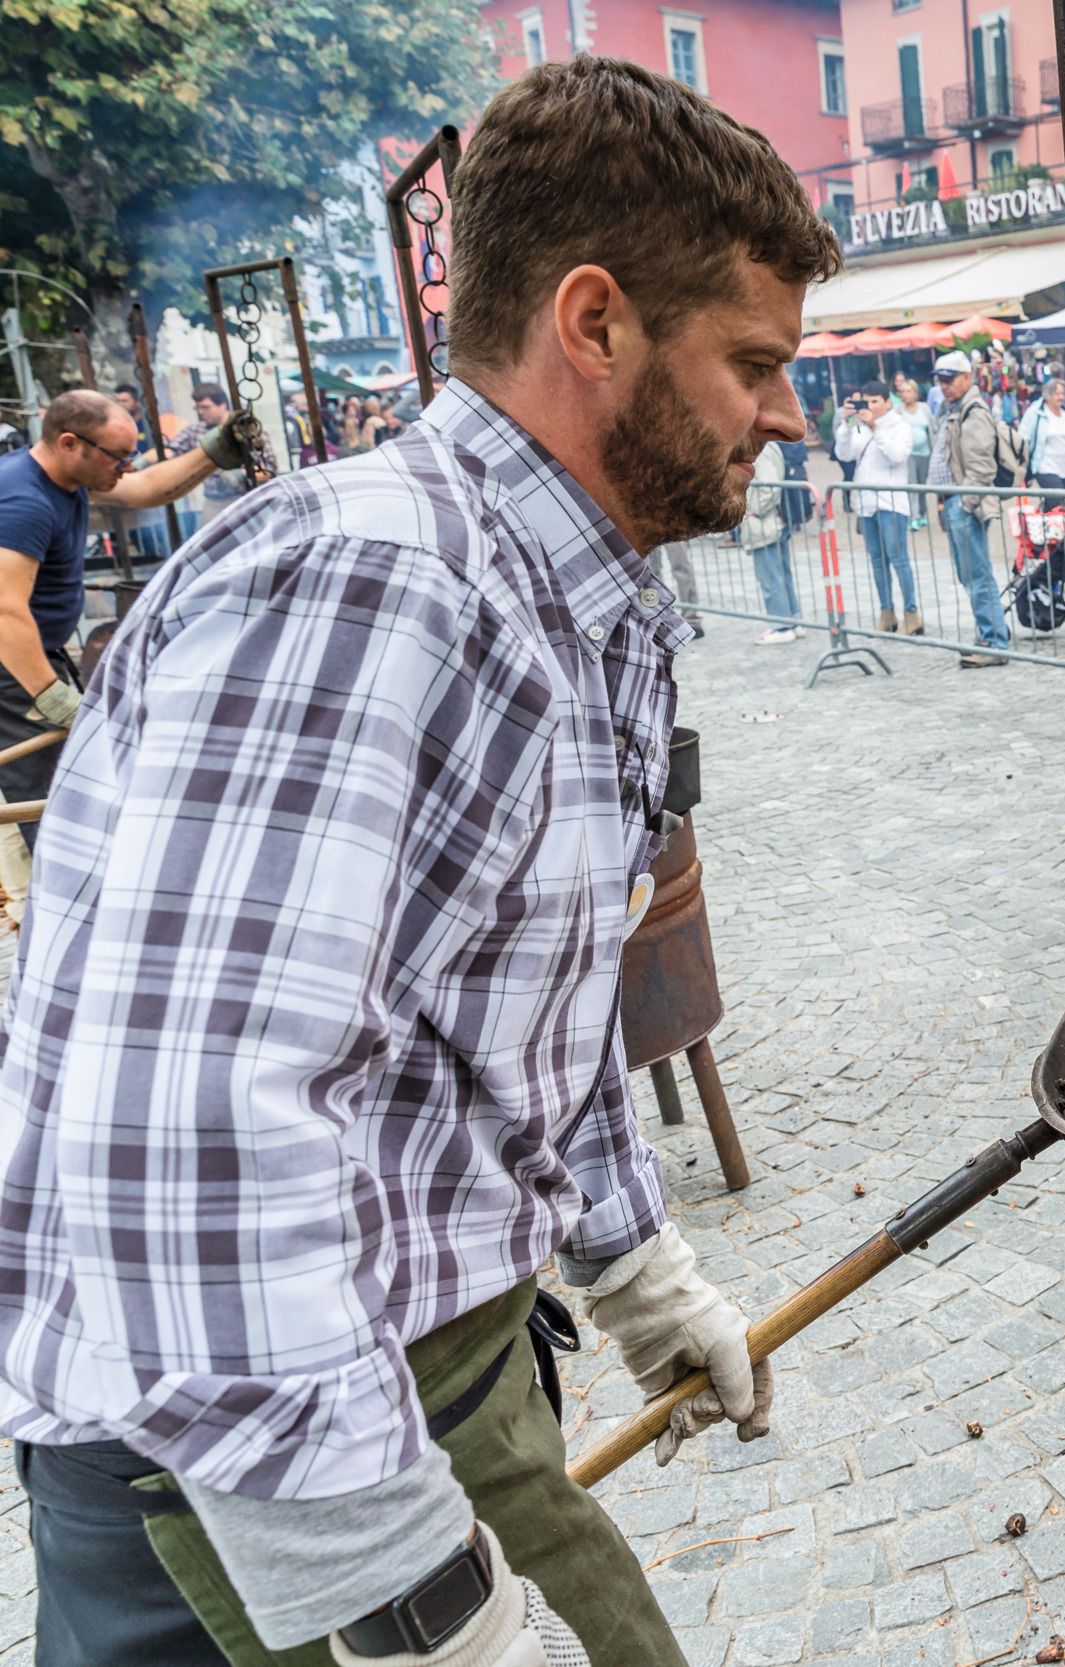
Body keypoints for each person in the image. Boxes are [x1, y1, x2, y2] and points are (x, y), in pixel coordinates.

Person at [0, 55, 837, 1667]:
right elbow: (185, 1148)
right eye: (752, 360)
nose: (786, 410)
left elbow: (516, 999)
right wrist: (411, 1602)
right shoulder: (381, 586)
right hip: (240, 1477)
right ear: (594, 324)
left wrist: (633, 1255)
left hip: (426, 1369)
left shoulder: (577, 592)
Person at [0, 388, 246, 840]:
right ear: (69, 443)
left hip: (28, 654)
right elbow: (4, 611)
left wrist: (214, 451)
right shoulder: (24, 502)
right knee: (50, 798)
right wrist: (48, 694)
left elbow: (147, 488)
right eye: (117, 456)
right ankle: (56, 899)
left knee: (57, 786)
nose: (127, 466)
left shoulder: (66, 479)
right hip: (9, 663)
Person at [931, 348, 1013, 667]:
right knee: (970, 575)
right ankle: (989, 636)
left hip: (965, 503)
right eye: (940, 379)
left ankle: (994, 642)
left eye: (949, 379)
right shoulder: (956, 408)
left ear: (967, 378)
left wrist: (965, 504)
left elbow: (981, 468)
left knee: (978, 576)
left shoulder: (973, 411)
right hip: (956, 501)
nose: (944, 385)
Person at [834, 385, 922, 636]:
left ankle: (912, 613)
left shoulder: (900, 426)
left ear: (887, 403)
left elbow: (896, 456)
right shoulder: (860, 426)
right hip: (867, 503)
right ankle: (886, 612)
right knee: (877, 561)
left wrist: (875, 428)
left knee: (899, 559)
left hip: (891, 502)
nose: (869, 407)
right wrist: (845, 425)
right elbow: (844, 454)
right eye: (866, 402)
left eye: (874, 401)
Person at [165, 383, 270, 534]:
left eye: (206, 407)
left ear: (222, 404)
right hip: (214, 503)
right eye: (198, 408)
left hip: (246, 498)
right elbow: (171, 450)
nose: (201, 412)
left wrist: (240, 475)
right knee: (204, 543)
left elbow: (269, 470)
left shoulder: (247, 431)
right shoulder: (195, 431)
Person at [739, 421, 802, 644]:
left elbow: (768, 485)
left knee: (770, 574)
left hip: (764, 521)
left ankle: (781, 624)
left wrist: (754, 510)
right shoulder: (769, 444)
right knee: (781, 572)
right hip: (773, 518)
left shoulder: (760, 449)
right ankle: (792, 618)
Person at [1018, 375, 1065, 491]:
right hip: (1045, 468)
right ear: (1048, 394)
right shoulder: (1035, 413)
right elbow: (1023, 437)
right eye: (1057, 394)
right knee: (1058, 504)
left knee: (1053, 506)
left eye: (1062, 394)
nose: (1061, 397)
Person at [896, 375, 934, 528]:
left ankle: (923, 513)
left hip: (925, 452)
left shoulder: (924, 409)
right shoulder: (898, 410)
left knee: (923, 484)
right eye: (903, 391)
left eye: (909, 391)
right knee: (912, 485)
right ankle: (914, 516)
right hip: (908, 453)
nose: (906, 394)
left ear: (915, 393)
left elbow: (932, 427)